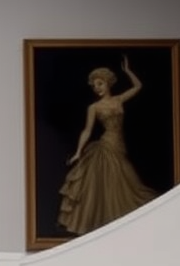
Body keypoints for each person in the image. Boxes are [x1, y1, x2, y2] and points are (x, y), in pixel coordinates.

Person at [57, 57, 155, 237]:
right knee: (113, 184)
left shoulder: (119, 99)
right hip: (106, 145)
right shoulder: (94, 107)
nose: (97, 88)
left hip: (120, 145)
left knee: (128, 184)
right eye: (95, 85)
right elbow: (87, 130)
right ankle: (111, 230)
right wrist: (78, 152)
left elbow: (138, 87)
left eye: (100, 83)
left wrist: (128, 71)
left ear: (108, 83)